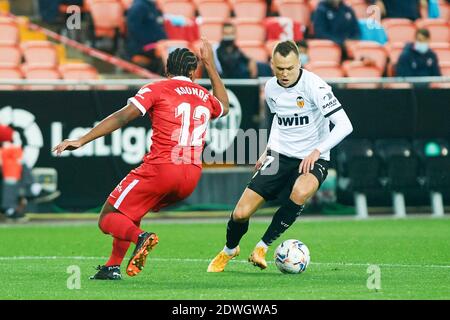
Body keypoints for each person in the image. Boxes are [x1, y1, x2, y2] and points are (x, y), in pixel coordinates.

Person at [53, 38, 229, 280]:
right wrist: (210, 65)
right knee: (130, 213)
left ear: (166, 70)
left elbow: (123, 117)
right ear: (193, 72)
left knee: (108, 217)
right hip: (191, 175)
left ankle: (141, 238)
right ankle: (112, 266)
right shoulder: (202, 95)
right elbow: (224, 107)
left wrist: (82, 139)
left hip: (163, 169)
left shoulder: (156, 88)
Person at [207, 41, 353, 272]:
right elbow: (279, 119)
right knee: (241, 212)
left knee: (300, 192)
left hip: (313, 157)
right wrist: (268, 149)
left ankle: (262, 247)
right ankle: (229, 249)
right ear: (272, 65)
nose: (285, 74)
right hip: (281, 154)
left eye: (290, 68)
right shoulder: (271, 88)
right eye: (280, 69)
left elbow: (345, 125)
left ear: (299, 64)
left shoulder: (316, 87)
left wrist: (317, 151)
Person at [126, 0, 167, 75]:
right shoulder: (139, 7)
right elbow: (133, 29)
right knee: (164, 49)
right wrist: (155, 43)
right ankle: (172, 79)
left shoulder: (152, 6)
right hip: (142, 47)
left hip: (155, 45)